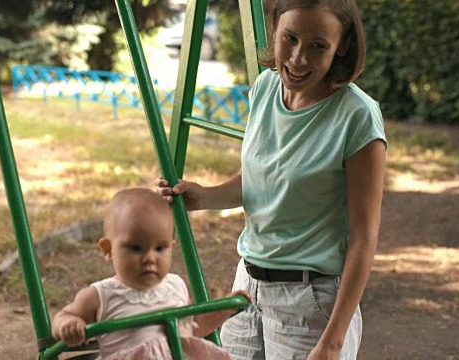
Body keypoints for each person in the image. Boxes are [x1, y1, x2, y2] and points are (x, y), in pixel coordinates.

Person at [156, 0, 387, 359]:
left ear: (341, 46)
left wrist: (332, 341)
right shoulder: (265, 88)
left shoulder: (357, 118)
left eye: (317, 46)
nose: (297, 59)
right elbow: (260, 180)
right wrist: (202, 197)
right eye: (289, 39)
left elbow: (363, 237)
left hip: (311, 302)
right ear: (274, 31)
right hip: (246, 289)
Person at [52, 187, 253, 360]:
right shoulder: (101, 295)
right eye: (136, 248)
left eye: (160, 248)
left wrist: (224, 310)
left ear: (172, 247)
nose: (150, 258)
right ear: (108, 249)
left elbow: (192, 328)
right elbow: (65, 316)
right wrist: (69, 324)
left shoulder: (174, 286)